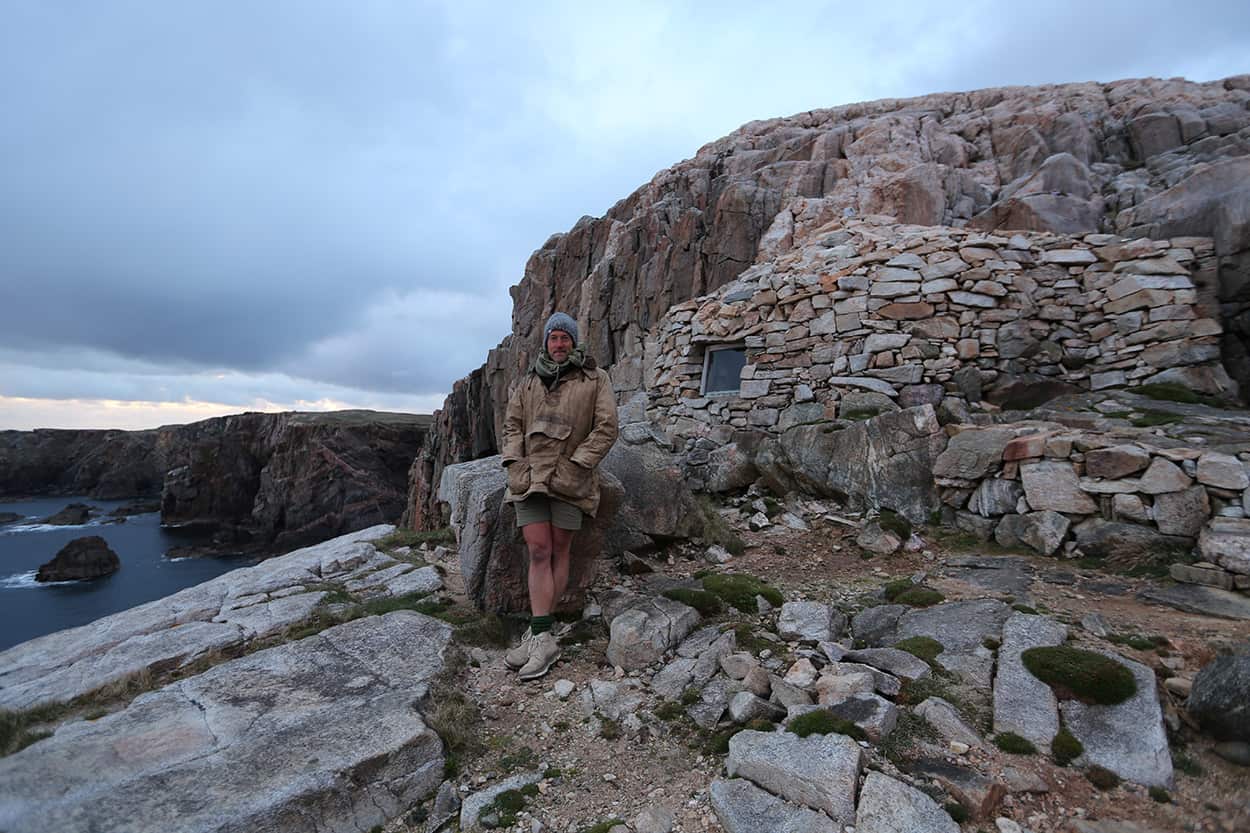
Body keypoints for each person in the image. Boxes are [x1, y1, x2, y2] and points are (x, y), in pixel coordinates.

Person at [500, 312, 618, 680]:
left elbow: (607, 426)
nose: (559, 343)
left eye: (565, 337)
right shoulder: (529, 383)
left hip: (570, 481)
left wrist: (579, 464)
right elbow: (512, 426)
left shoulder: (595, 379)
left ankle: (541, 635)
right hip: (531, 480)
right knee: (538, 550)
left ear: (574, 341)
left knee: (560, 549)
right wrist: (515, 464)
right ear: (546, 342)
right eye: (553, 337)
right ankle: (542, 634)